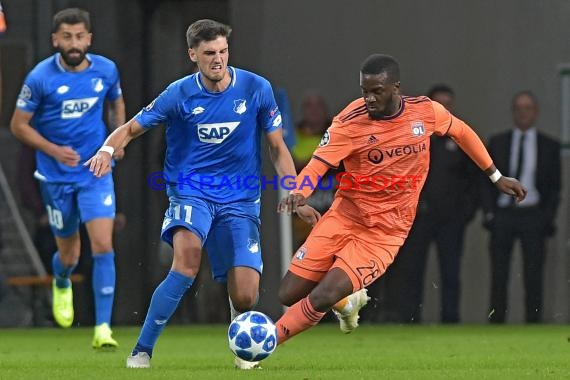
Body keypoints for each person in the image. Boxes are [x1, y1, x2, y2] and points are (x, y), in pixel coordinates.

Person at [86, 19, 321, 369]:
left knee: (245, 294)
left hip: (241, 199)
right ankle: (142, 350)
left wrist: (295, 191)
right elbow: (131, 128)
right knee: (187, 261)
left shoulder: (257, 88)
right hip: (190, 192)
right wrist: (106, 150)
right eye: (209, 53)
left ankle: (239, 335)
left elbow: (276, 148)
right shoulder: (178, 94)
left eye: (223, 51)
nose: (218, 59)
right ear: (192, 54)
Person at [274, 54, 526, 346]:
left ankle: (267, 341)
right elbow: (319, 164)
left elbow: (461, 131)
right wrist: (300, 192)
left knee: (323, 294)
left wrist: (496, 177)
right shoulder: (348, 122)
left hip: (384, 232)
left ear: (396, 88)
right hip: (344, 216)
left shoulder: (425, 112)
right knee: (288, 294)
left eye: (376, 91)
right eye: (364, 91)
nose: (368, 98)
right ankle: (347, 300)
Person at [10, 8, 124, 347]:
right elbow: (18, 125)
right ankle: (61, 278)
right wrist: (54, 149)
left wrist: (115, 141)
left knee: (103, 244)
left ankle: (103, 329)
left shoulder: (106, 70)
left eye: (79, 37)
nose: (74, 44)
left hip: (95, 171)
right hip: (56, 176)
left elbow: (117, 104)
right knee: (70, 254)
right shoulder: (39, 78)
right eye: (67, 37)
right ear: (55, 40)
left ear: (89, 38)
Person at [377, 84, 480, 323]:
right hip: (417, 217)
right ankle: (411, 318)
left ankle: (450, 319)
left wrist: (466, 212)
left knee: (451, 272)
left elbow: (473, 180)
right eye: (438, 104)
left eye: (448, 105)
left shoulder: (460, 139)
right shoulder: (413, 137)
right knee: (412, 270)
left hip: (451, 219)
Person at [482, 90, 561, 323]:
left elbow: (555, 188)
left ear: (535, 112)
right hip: (503, 214)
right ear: (513, 112)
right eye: (519, 108)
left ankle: (533, 322)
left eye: (528, 108)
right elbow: (484, 182)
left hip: (533, 215)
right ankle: (496, 322)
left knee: (533, 273)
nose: (523, 113)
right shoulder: (498, 142)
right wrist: (489, 214)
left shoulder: (549, 146)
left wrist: (547, 218)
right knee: (499, 273)